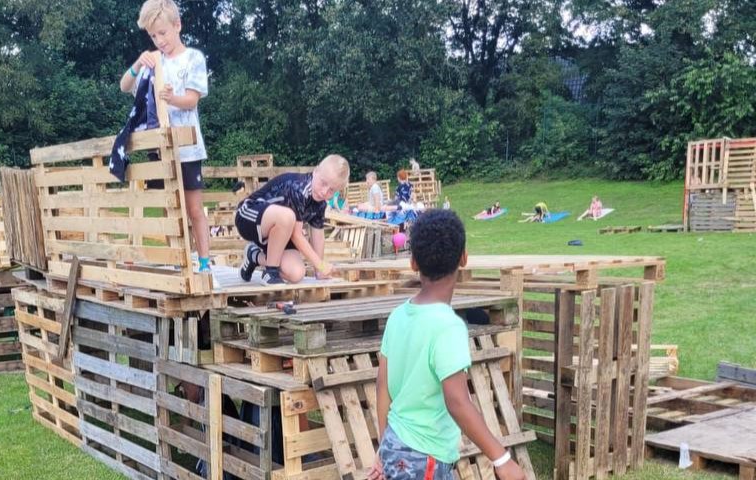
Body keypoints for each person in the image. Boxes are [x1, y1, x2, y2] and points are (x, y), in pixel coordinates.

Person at [371, 209, 525, 480]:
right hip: (424, 456)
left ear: (413, 262)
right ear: (464, 257)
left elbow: (383, 385)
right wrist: (501, 459)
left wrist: (384, 448)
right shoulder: (449, 327)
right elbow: (457, 401)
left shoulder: (398, 316)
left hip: (397, 443)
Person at [120, 0, 212, 272]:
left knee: (193, 208)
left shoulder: (193, 58)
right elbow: (124, 85)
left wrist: (172, 98)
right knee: (168, 207)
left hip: (188, 149)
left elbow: (192, 100)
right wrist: (138, 63)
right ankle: (178, 261)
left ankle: (204, 262)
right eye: (153, 36)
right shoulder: (153, 61)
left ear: (177, 25)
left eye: (163, 33)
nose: (159, 40)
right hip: (159, 148)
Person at [235, 155, 349, 285]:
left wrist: (319, 270)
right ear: (316, 171)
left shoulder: (320, 203)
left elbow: (318, 236)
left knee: (296, 273)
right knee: (287, 216)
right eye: (323, 183)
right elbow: (296, 235)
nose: (324, 192)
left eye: (331, 190)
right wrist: (320, 264)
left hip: (279, 234)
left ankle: (254, 256)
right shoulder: (299, 188)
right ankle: (270, 272)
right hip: (248, 216)